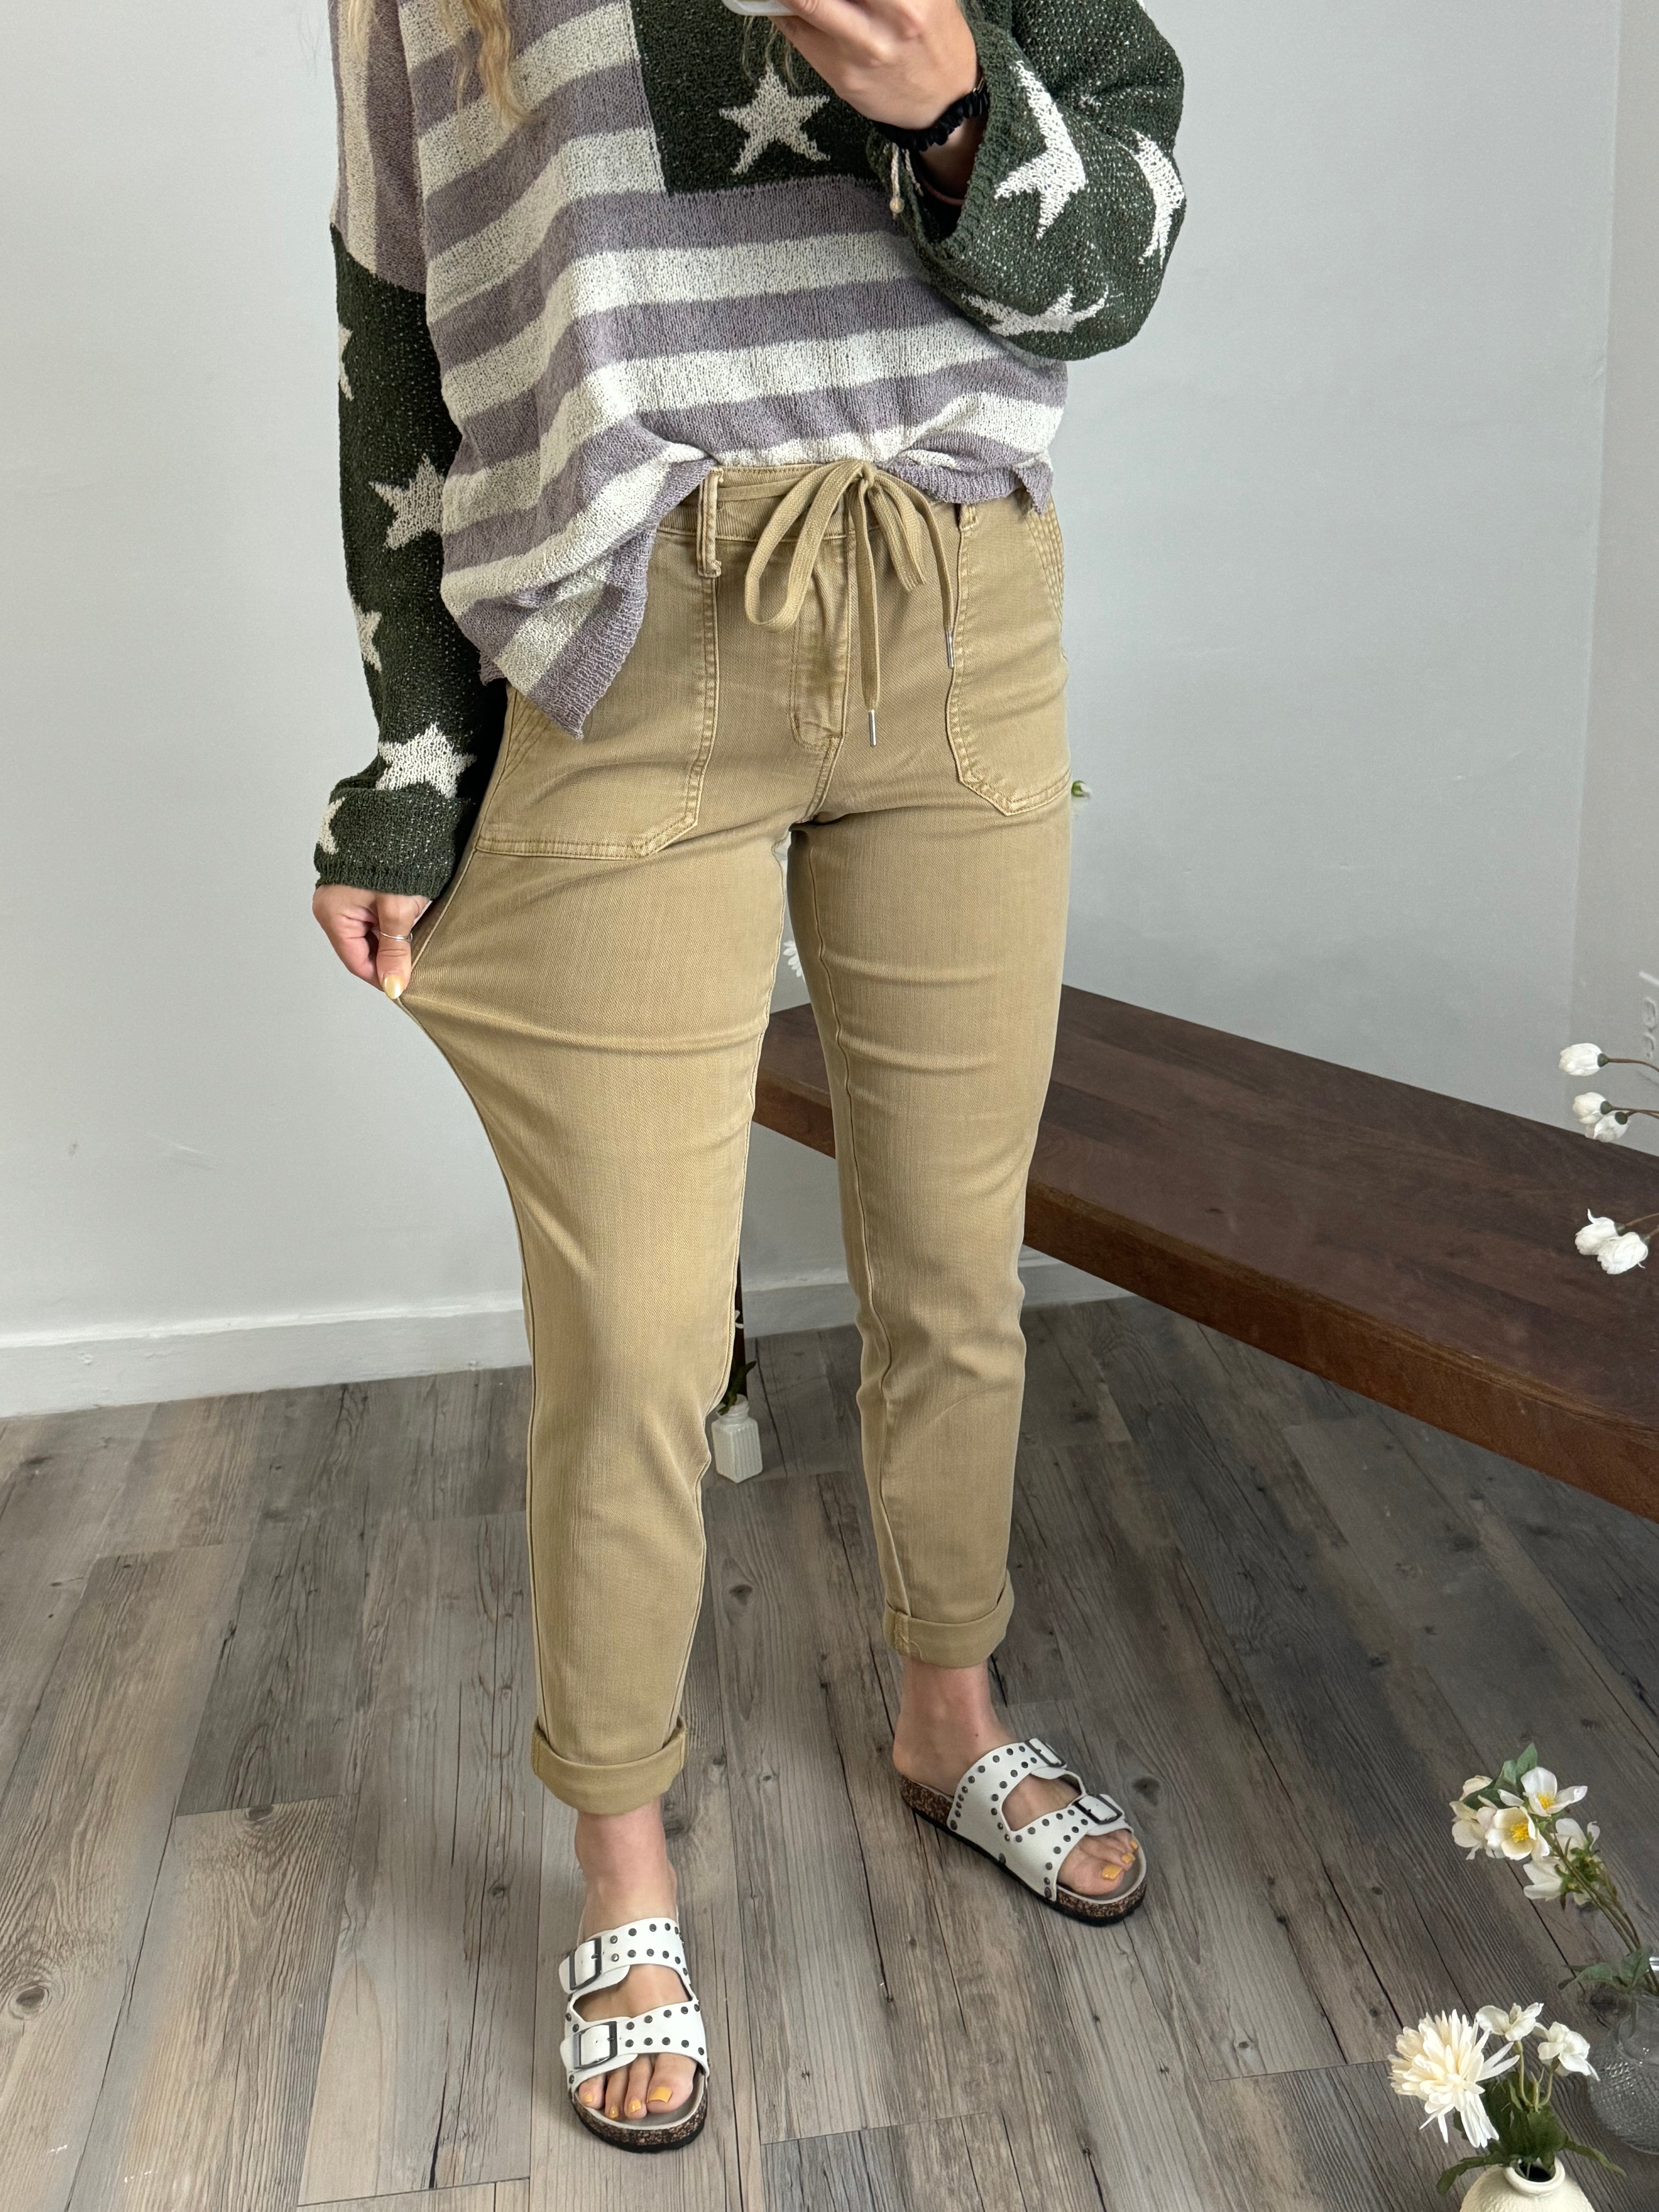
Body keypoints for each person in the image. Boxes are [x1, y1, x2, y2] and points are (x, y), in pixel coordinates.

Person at [312, 0, 1185, 2154]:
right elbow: (397, 348)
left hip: (959, 606)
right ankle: (621, 1859)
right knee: (633, 1327)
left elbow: (1124, 258)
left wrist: (952, 111)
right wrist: (414, 766)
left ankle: (950, 1712)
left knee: (954, 1256)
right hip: (632, 637)